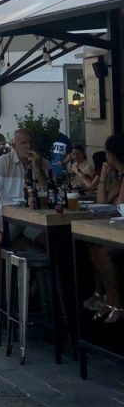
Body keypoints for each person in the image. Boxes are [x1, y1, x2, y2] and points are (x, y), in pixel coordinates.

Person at [0, 128, 48, 265]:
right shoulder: (4, 162)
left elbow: (47, 192)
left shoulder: (42, 163)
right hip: (8, 215)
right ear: (14, 146)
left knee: (51, 241)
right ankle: (8, 284)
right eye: (23, 143)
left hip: (33, 216)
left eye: (31, 143)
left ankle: (37, 284)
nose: (28, 146)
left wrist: (37, 168)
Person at [86, 134, 124, 323]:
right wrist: (102, 178)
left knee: (102, 251)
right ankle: (107, 299)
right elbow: (103, 203)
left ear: (111, 155)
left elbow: (121, 207)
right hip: (117, 231)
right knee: (94, 248)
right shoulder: (118, 178)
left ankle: (115, 303)